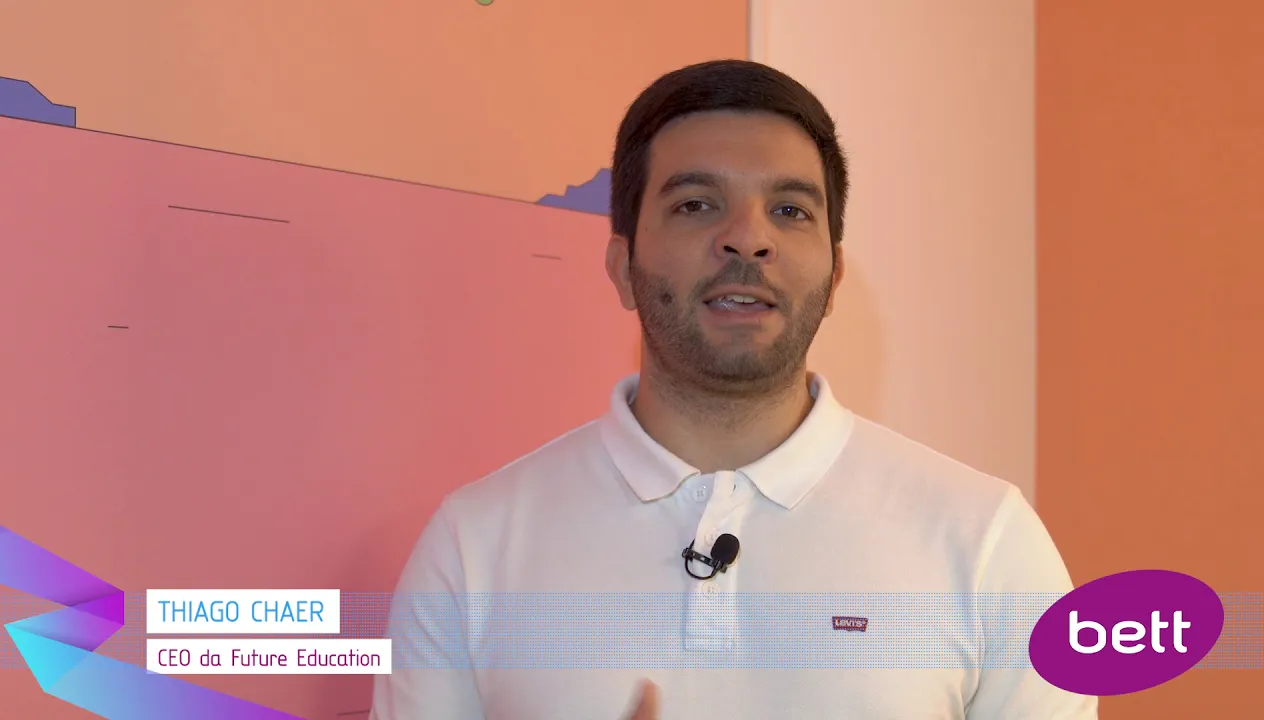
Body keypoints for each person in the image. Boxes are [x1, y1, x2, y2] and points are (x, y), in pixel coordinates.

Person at [370, 59, 1097, 720]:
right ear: (622, 267)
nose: (748, 239)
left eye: (790, 210)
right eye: (696, 204)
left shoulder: (987, 541)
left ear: (834, 278)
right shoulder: (473, 547)